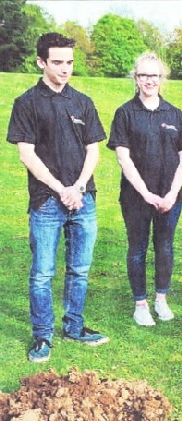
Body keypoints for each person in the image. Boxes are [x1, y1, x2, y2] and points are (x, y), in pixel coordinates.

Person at [7, 32, 109, 362]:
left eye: (70, 62)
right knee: (42, 273)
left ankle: (74, 327)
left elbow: (93, 150)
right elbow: (27, 154)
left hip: (83, 199)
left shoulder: (83, 102)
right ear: (41, 62)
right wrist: (59, 188)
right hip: (46, 201)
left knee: (79, 269)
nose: (65, 69)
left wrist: (78, 187)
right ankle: (43, 336)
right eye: (58, 63)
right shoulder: (26, 103)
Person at [108, 52, 182, 326]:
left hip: (170, 198)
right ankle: (140, 304)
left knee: (165, 248)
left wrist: (171, 194)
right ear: (136, 78)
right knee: (138, 249)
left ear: (161, 78)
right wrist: (146, 194)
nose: (149, 80)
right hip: (136, 198)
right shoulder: (125, 113)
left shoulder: (175, 113)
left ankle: (161, 300)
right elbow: (123, 158)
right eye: (143, 75)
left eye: (154, 75)